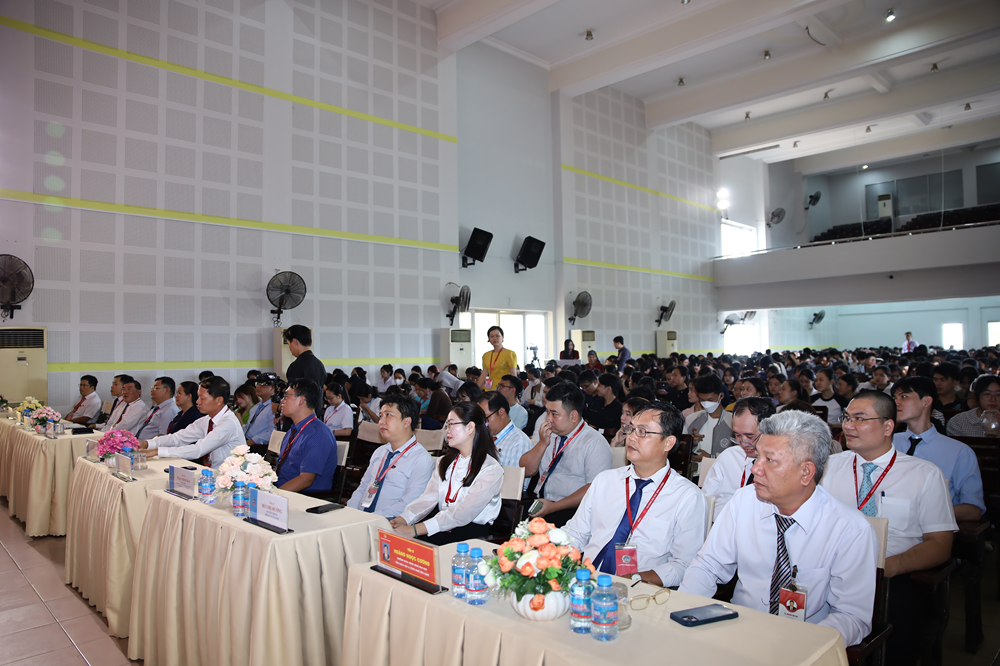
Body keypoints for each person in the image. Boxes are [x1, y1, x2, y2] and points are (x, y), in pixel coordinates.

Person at [680, 410, 879, 648]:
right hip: (737, 632)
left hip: (803, 642)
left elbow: (851, 616)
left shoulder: (849, 529)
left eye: (770, 460)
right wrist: (683, 611)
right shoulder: (744, 501)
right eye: (758, 457)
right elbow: (708, 565)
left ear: (806, 472)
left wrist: (803, 646)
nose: (755, 469)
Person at [821, 390, 956, 666]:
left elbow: (940, 544)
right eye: (847, 417)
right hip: (830, 569)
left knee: (898, 628)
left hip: (892, 574)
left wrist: (886, 568)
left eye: (860, 418)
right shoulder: (828, 467)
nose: (848, 425)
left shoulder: (923, 474)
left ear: (888, 426)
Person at [564, 401, 706, 586]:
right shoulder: (605, 480)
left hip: (639, 590)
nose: (631, 437)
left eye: (642, 432)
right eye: (631, 429)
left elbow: (684, 564)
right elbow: (575, 534)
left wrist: (636, 579)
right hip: (586, 581)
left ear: (668, 442)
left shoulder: (686, 497)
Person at [390, 402, 503, 545]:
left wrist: (414, 530)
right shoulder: (444, 462)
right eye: (446, 425)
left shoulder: (491, 469)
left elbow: (463, 513)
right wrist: (402, 519)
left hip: (471, 536)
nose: (446, 430)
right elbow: (428, 498)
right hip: (442, 526)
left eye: (451, 424)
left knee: (410, 544)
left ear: (470, 427)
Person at [891, 377, 985, 522]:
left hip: (934, 527)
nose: (896, 403)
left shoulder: (959, 451)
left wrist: (923, 512)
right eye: (894, 398)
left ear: (926, 401)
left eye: (903, 397)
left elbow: (973, 510)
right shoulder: (887, 443)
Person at [520, 382, 612, 526]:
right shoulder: (550, 434)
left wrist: (554, 507)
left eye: (554, 414)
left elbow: (594, 488)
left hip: (574, 512)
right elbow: (525, 470)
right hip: (543, 504)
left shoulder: (594, 442)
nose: (548, 419)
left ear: (573, 416)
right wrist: (542, 444)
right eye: (547, 412)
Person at [346, 395, 435, 517]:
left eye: (388, 415)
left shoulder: (421, 460)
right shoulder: (380, 452)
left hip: (388, 523)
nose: (381, 421)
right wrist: (351, 511)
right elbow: (363, 487)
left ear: (407, 422)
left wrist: (373, 519)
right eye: (381, 416)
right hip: (361, 517)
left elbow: (409, 504)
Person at [139, 377, 244, 469]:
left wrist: (157, 451)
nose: (197, 401)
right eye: (198, 397)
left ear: (219, 400)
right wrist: (147, 444)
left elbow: (198, 449)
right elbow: (178, 438)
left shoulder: (228, 423)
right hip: (212, 473)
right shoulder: (207, 420)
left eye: (202, 398)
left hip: (231, 478)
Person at [701, 397, 776, 518]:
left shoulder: (779, 464)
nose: (743, 443)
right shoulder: (729, 457)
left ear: (769, 431)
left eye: (750, 436)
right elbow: (707, 499)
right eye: (737, 435)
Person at [274, 380, 338, 494]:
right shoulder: (293, 430)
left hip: (305, 496)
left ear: (301, 400)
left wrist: (274, 496)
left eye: (286, 397)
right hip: (284, 490)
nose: (282, 401)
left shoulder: (318, 434)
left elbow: (306, 480)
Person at [684, 374, 733, 463]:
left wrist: (711, 458)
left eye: (710, 400)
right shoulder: (691, 419)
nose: (706, 404)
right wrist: (691, 443)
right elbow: (682, 450)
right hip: (696, 470)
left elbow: (737, 454)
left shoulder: (732, 421)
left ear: (721, 396)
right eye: (702, 400)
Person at [478, 392, 533, 470]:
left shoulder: (519, 442)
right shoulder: (484, 435)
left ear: (501, 413)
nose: (484, 424)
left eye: (486, 418)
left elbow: (513, 477)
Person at [283, 325, 326, 416]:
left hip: (300, 417)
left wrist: (279, 409)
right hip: (315, 416)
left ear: (295, 342)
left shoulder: (296, 366)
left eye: (289, 343)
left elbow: (292, 397)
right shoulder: (319, 364)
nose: (289, 348)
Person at [477, 326, 518, 390]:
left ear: (502, 337)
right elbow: (483, 375)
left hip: (503, 389)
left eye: (497, 336)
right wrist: (476, 390)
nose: (495, 338)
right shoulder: (486, 355)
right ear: (489, 338)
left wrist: (513, 392)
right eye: (492, 336)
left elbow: (513, 375)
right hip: (489, 389)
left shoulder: (510, 354)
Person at [245, 373, 278, 448]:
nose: (258, 387)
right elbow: (248, 426)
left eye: (262, 384)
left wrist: (252, 441)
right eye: (257, 384)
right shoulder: (256, 406)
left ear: (272, 388)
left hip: (260, 446)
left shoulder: (274, 407)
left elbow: (273, 433)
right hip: (248, 442)